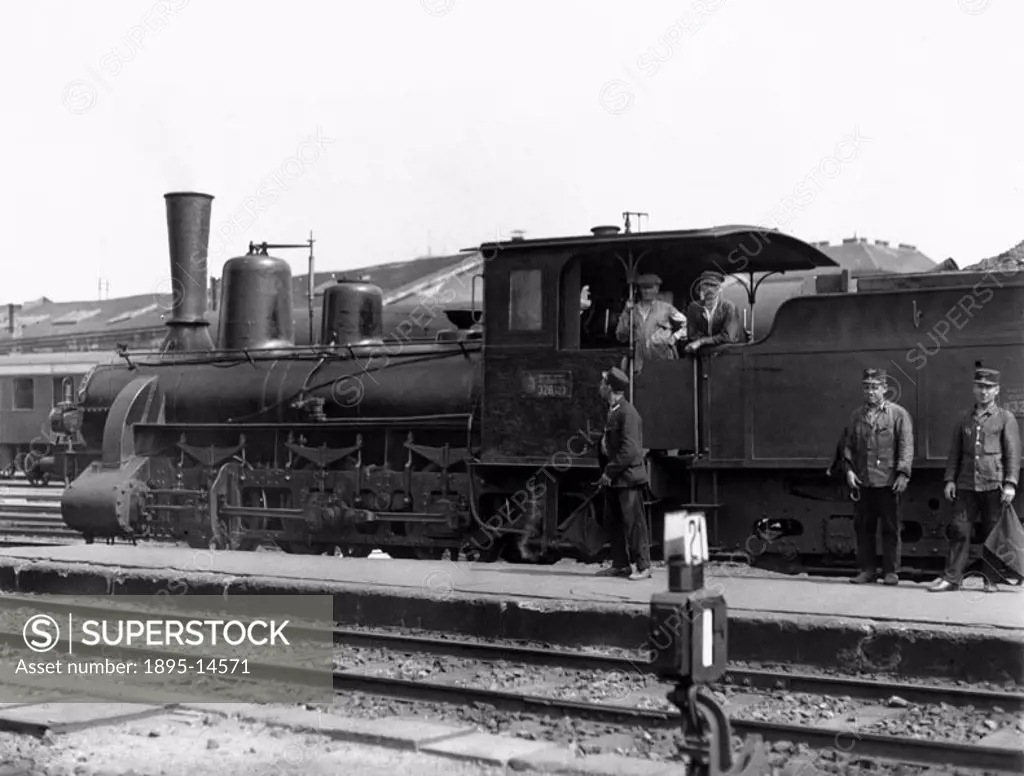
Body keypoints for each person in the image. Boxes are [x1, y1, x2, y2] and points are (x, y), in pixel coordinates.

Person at [928, 363, 1022, 593]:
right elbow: (955, 453)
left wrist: (1010, 483)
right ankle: (952, 578)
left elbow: (1012, 453)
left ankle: (990, 580)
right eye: (980, 387)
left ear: (997, 390)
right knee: (960, 530)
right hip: (966, 484)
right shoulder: (964, 419)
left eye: (989, 387)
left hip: (993, 484)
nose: (984, 391)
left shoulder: (1005, 418)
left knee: (991, 533)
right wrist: (950, 479)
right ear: (974, 389)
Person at [841, 368, 913, 585]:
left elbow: (906, 445)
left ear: (884, 389)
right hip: (864, 480)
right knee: (864, 527)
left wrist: (903, 474)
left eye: (874, 387)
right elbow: (848, 446)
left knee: (891, 527)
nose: (870, 392)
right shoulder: (856, 416)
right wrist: (849, 471)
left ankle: (891, 571)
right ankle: (867, 570)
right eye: (866, 387)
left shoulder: (898, 414)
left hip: (889, 481)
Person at [595, 367, 652, 581]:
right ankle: (620, 564)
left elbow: (630, 450)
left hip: (626, 479)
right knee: (614, 522)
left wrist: (609, 471)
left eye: (602, 384)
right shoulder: (614, 410)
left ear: (610, 387)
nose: (599, 388)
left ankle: (644, 566)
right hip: (616, 479)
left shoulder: (627, 413)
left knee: (634, 523)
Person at [614, 274, 686, 374]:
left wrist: (675, 337)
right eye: (644, 288)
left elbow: (687, 324)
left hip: (664, 363)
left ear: (657, 288)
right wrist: (626, 312)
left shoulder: (666, 308)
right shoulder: (632, 311)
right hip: (641, 366)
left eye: (650, 288)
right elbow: (621, 336)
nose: (647, 291)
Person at [683, 270, 747, 354]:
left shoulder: (729, 307)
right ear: (701, 287)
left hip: (726, 354)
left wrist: (701, 341)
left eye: (713, 285)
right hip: (702, 354)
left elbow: (728, 337)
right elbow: (692, 335)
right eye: (706, 285)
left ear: (720, 288)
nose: (709, 289)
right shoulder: (694, 308)